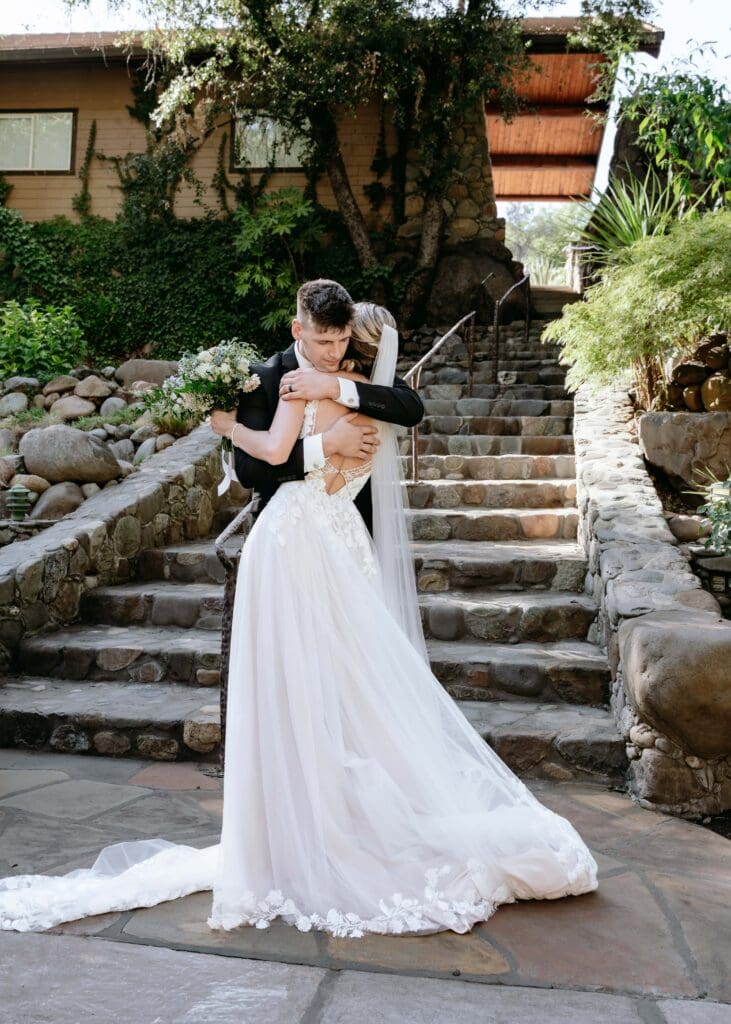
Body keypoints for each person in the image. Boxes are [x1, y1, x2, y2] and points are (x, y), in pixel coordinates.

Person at [0, 292, 598, 938]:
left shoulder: (360, 388)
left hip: (335, 547)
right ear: (297, 330)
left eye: (341, 344)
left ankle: (341, 826)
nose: (329, 352)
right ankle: (285, 836)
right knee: (282, 690)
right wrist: (266, 431)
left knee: (346, 692)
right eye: (319, 342)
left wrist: (338, 398)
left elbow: (409, 407)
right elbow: (254, 468)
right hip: (285, 543)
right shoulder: (265, 378)